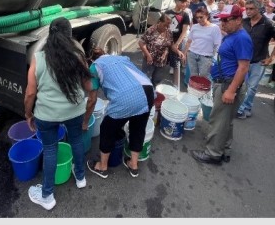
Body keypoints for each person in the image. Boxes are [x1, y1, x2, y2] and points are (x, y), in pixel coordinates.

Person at [24, 17, 96, 211]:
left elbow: (31, 92)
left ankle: (47, 195)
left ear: (50, 34)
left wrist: (28, 114)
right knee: (77, 141)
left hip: (46, 116)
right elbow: (89, 86)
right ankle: (80, 177)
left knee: (50, 150)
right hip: (75, 111)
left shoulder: (38, 58)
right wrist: (88, 102)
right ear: (69, 35)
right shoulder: (78, 56)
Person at [192, 5, 252, 165]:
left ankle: (213, 153)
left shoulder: (241, 38)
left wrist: (231, 91)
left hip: (229, 84)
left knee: (218, 120)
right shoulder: (233, 35)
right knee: (225, 120)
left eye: (227, 20)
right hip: (224, 82)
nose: (223, 23)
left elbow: (244, 66)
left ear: (239, 20)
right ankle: (224, 149)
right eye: (221, 20)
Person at [87, 48, 154, 179]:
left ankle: (102, 167)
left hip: (126, 97)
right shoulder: (121, 58)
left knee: (107, 128)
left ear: (92, 59)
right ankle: (133, 165)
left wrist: (85, 122)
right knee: (138, 128)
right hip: (147, 90)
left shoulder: (94, 67)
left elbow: (92, 99)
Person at [236, 0, 275, 119]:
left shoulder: (269, 23)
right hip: (242, 60)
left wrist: (272, 57)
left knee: (251, 87)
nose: (248, 11)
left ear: (259, 9)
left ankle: (243, 109)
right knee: (241, 86)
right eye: (247, 9)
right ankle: (243, 107)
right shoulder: (244, 22)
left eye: (251, 9)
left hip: (258, 61)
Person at [138, 13, 176, 87]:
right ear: (160, 22)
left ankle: (154, 92)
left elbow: (170, 44)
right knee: (146, 79)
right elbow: (141, 43)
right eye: (165, 25)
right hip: (150, 60)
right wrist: (148, 55)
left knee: (157, 80)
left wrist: (177, 51)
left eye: (169, 25)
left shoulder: (169, 32)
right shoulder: (151, 30)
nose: (167, 27)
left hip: (161, 61)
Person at [184, 7, 222, 81]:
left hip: (206, 57)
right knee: (193, 76)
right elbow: (189, 41)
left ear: (207, 16)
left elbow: (217, 44)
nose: (199, 19)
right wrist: (185, 53)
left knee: (204, 78)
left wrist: (212, 57)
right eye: (197, 17)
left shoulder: (215, 28)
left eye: (201, 17)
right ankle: (193, 92)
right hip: (192, 54)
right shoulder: (194, 27)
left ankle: (205, 92)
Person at [165, 0, 190, 86]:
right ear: (176, 1)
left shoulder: (185, 15)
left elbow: (184, 31)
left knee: (176, 60)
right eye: (181, 2)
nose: (184, 4)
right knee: (164, 58)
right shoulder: (167, 12)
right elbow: (162, 26)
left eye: (185, 2)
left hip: (177, 40)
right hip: (166, 39)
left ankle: (176, 85)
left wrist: (177, 43)